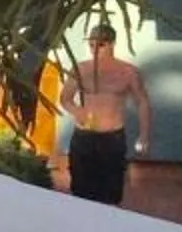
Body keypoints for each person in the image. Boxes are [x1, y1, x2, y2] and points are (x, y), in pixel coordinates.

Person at [55, 23, 149, 204]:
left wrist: (144, 136)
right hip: (84, 136)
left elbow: (142, 102)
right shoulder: (81, 69)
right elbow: (65, 98)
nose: (94, 49)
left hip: (112, 137)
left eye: (100, 45)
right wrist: (77, 111)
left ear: (112, 44)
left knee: (111, 193)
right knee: (81, 192)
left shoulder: (127, 72)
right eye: (91, 45)